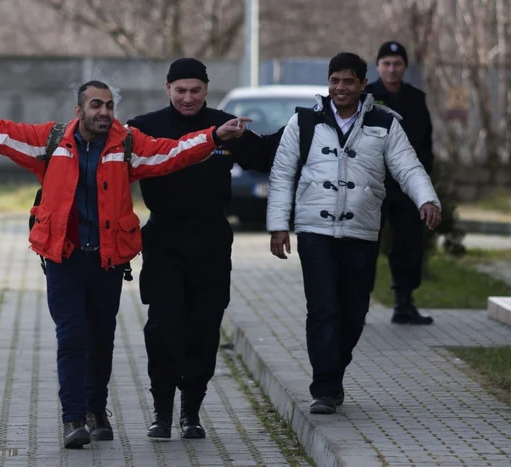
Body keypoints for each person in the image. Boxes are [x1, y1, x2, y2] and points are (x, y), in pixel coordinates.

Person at [0, 82, 250, 448]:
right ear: (79, 111)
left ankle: (96, 411)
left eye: (109, 106)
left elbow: (173, 153)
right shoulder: (50, 142)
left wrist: (213, 136)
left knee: (101, 339)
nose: (104, 112)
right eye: (96, 105)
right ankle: (73, 418)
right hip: (63, 259)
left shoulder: (128, 144)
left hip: (107, 260)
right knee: (72, 338)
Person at [266, 53, 441, 414]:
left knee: (353, 311)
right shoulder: (304, 122)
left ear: (363, 84)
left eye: (348, 81)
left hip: (361, 232)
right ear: (327, 83)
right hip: (314, 230)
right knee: (323, 309)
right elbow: (282, 175)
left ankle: (334, 371)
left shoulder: (385, 124)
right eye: (334, 81)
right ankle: (325, 388)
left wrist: (427, 199)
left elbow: (409, 168)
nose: (340, 88)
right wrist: (279, 225)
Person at [127, 58, 280, 439]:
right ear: (168, 89)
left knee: (204, 328)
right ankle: (162, 411)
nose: (188, 98)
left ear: (207, 89)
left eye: (195, 90)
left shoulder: (226, 126)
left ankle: (190, 412)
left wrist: (302, 126)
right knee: (164, 325)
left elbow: (265, 158)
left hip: (211, 240)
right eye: (180, 90)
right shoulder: (144, 127)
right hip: (164, 240)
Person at [365, 41, 435, 325]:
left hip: (407, 187)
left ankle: (404, 302)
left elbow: (425, 144)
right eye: (386, 63)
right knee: (366, 243)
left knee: (408, 243)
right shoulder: (367, 97)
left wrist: (423, 184)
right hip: (373, 185)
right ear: (378, 66)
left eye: (397, 64)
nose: (392, 69)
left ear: (405, 67)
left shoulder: (415, 98)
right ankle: (358, 302)